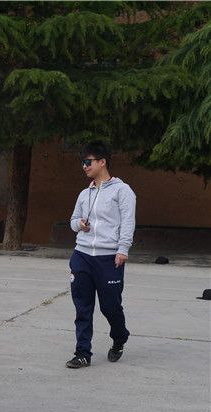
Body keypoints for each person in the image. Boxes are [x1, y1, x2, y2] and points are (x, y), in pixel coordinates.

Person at [66, 141, 136, 368]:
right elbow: (73, 221)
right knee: (83, 307)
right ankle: (82, 353)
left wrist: (123, 249)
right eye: (82, 162)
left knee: (110, 307)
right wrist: (80, 224)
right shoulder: (84, 194)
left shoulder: (122, 191)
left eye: (88, 161)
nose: (84, 166)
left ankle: (120, 337)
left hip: (109, 258)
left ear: (102, 162)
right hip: (82, 255)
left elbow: (128, 222)